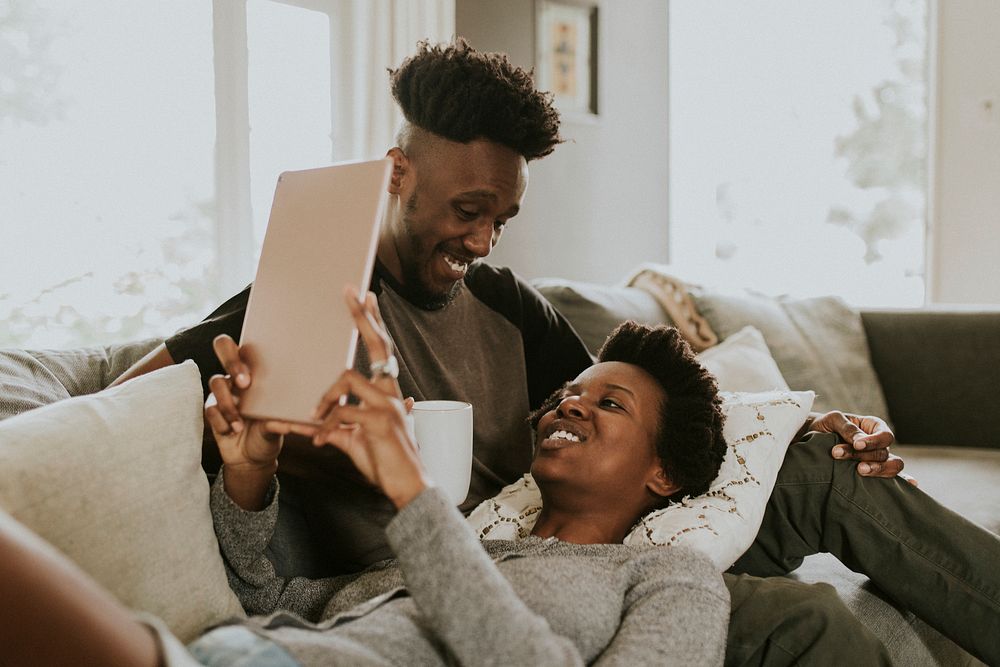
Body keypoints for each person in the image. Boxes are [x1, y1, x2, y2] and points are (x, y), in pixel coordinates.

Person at [112, 39, 951, 664]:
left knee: (825, 465)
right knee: (807, 617)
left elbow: (637, 417)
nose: (481, 240)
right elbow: (123, 405)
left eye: (501, 219)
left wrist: (794, 424)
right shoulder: (309, 299)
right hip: (444, 579)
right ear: (396, 174)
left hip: (566, 562)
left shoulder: (510, 309)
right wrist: (271, 453)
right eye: (468, 209)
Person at [0, 292, 734, 666]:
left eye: (610, 403)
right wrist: (250, 471)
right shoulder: (473, 546)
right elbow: (274, 599)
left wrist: (414, 495)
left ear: (664, 471)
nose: (571, 400)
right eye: (570, 389)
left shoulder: (670, 575)